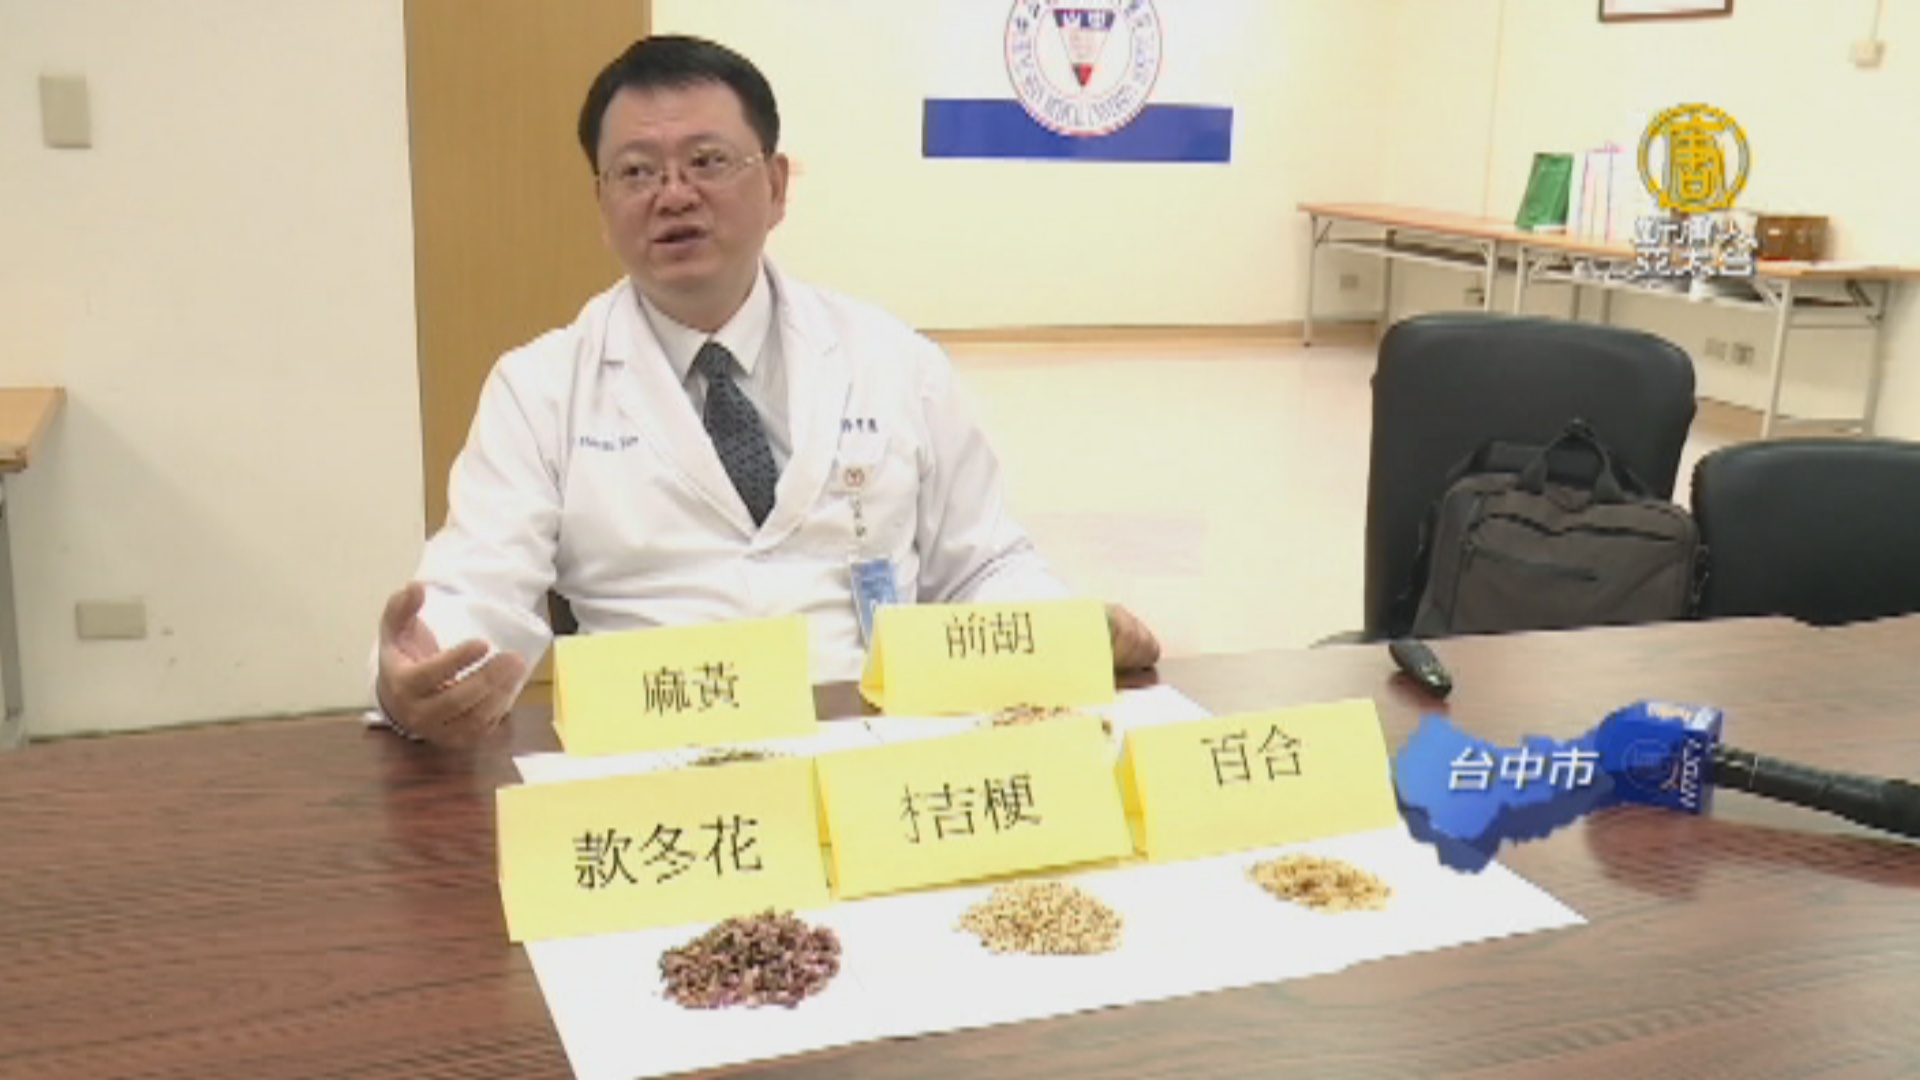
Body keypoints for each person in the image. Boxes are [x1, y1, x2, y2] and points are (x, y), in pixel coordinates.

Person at [372, 34, 1159, 748]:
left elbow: (981, 565)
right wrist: (421, 671)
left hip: (880, 747)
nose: (673, 195)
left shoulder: (894, 360)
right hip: (653, 761)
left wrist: (1068, 634)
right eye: (637, 172)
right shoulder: (539, 388)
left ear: (777, 185)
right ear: (602, 206)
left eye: (708, 162)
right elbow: (480, 581)